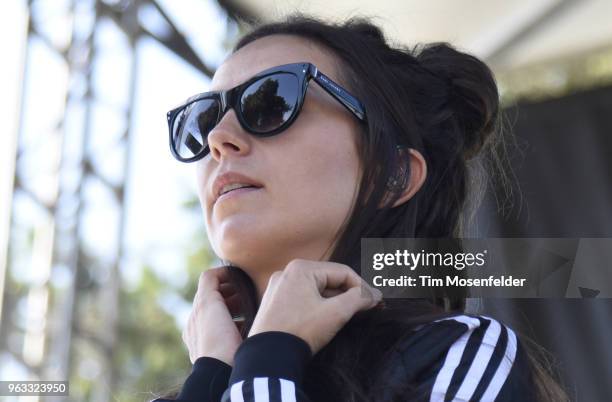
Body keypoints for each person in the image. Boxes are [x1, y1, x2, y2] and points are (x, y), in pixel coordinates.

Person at [152, 14, 568, 402]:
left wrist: (268, 358)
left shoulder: (460, 358)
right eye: (203, 120)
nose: (219, 138)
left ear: (392, 174)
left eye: (272, 101)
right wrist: (209, 378)